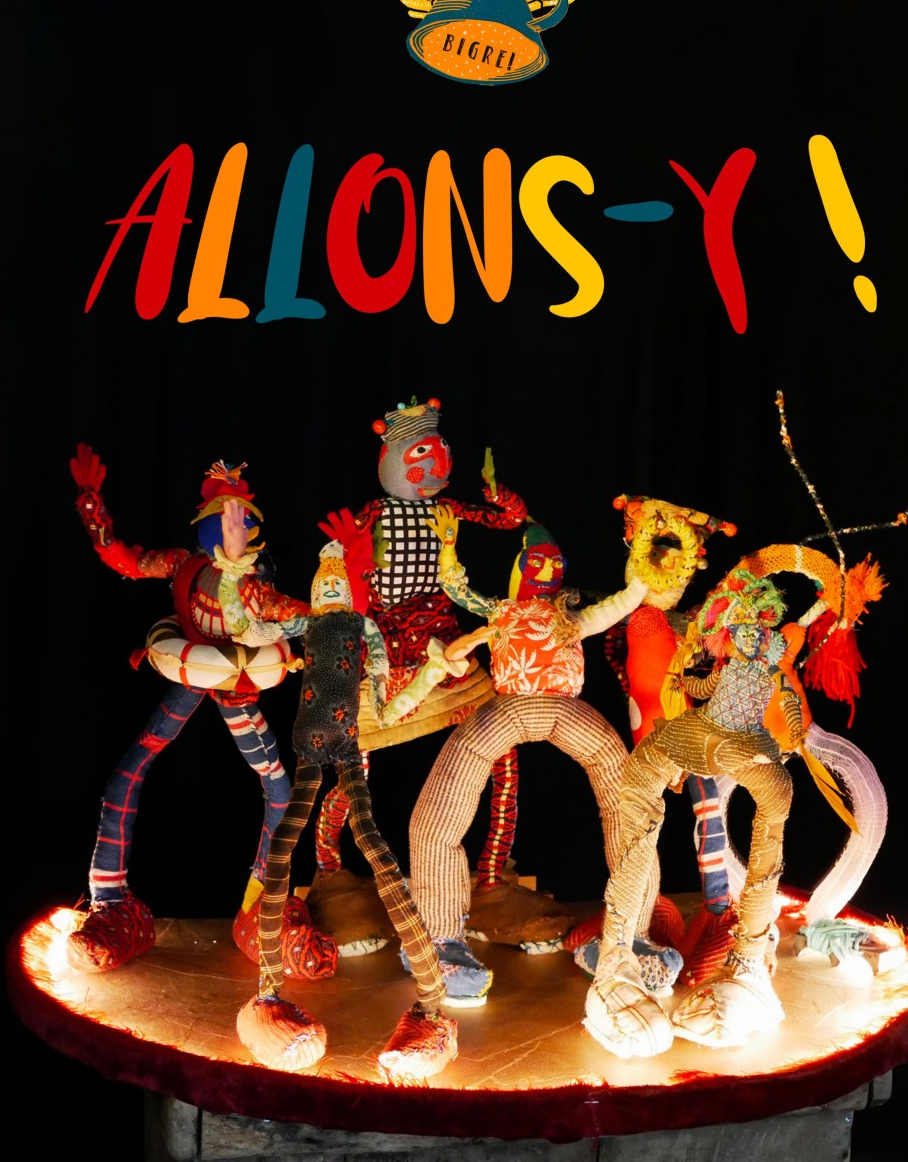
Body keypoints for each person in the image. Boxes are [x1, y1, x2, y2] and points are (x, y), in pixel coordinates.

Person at [309, 397, 571, 952]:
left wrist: (499, 496)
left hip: (444, 639)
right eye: (421, 455)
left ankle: (491, 876)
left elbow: (509, 521)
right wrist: (346, 565)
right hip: (383, 647)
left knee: (500, 748)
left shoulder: (445, 510)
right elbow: (336, 571)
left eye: (440, 453)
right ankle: (331, 872)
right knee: (354, 765)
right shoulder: (373, 515)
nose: (435, 467)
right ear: (392, 456)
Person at [65, 445, 335, 978]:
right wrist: (91, 504)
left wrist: (340, 616)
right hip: (189, 669)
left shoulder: (255, 589)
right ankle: (111, 904)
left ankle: (264, 907)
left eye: (241, 520)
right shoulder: (181, 566)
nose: (233, 527)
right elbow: (123, 558)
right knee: (127, 774)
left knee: (279, 789)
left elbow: (300, 617)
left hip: (237, 682)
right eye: (224, 518)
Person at [402, 506, 656, 1005]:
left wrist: (644, 569)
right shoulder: (502, 613)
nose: (544, 572)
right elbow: (458, 591)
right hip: (511, 707)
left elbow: (623, 603)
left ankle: (630, 937)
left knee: (633, 807)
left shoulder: (571, 618)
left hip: (565, 709)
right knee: (436, 821)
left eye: (553, 564)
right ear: (520, 567)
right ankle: (438, 941)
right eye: (535, 562)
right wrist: (448, 548)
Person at [236, 511, 459, 1079]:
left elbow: (384, 690)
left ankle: (432, 1007)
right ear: (315, 588)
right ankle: (267, 995)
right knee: (282, 854)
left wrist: (429, 675)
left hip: (346, 745)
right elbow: (255, 632)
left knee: (375, 846)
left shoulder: (363, 628)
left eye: (338, 582)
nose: (331, 589)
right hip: (309, 750)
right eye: (324, 582)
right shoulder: (307, 623)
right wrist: (236, 583)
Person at [583, 568, 805, 1058]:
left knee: (771, 801)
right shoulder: (719, 659)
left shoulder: (766, 664)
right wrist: (687, 680)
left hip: (742, 743)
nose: (747, 637)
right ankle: (616, 955)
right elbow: (705, 691)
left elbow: (786, 697)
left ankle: (748, 961)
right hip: (697, 733)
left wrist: (795, 729)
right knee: (644, 802)